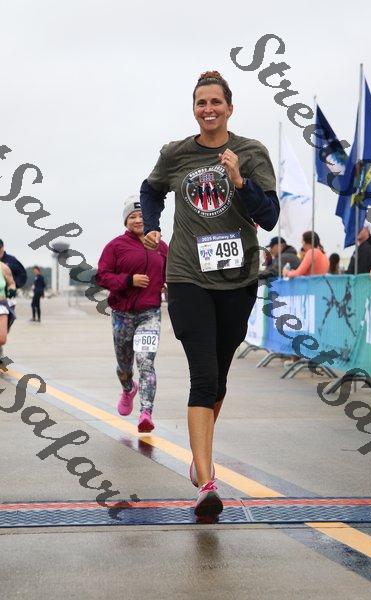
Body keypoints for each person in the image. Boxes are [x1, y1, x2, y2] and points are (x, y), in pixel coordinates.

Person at [140, 70, 279, 520]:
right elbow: (150, 190)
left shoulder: (251, 152)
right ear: (195, 109)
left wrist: (240, 180)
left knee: (218, 379)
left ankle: (200, 459)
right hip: (187, 278)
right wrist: (152, 223)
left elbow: (270, 217)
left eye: (216, 102)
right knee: (202, 377)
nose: (208, 109)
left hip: (238, 281)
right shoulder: (176, 154)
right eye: (201, 102)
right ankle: (206, 482)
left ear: (229, 108)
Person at [96, 196, 168, 433]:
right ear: (126, 221)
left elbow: (172, 272)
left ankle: (146, 413)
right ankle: (128, 388)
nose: (138, 220)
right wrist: (129, 280)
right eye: (132, 217)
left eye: (142, 216)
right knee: (124, 366)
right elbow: (101, 276)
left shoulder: (161, 246)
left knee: (146, 362)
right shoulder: (116, 246)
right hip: (122, 315)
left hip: (150, 314)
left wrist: (167, 284)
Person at [0, 261, 17, 352]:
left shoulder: (3, 267)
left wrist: (12, 289)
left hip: (1, 304)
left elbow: (11, 283)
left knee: (2, 339)